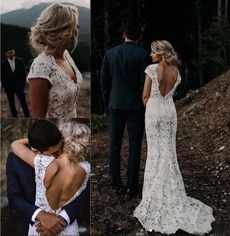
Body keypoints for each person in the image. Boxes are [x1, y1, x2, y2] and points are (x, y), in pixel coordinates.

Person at [133, 40, 215, 234]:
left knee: (155, 153)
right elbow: (170, 95)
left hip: (154, 112)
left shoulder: (152, 69)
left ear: (160, 54)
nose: (151, 55)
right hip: (170, 112)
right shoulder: (177, 72)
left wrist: (152, 109)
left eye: (153, 52)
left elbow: (145, 96)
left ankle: (155, 196)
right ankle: (171, 192)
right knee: (169, 152)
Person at [6, 120, 89, 236]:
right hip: (34, 226)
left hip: (66, 225)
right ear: (36, 150)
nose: (61, 153)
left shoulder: (68, 159)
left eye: (62, 146)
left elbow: (83, 195)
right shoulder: (15, 159)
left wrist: (63, 219)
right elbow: (14, 196)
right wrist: (41, 215)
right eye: (55, 152)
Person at [100, 21, 151, 199]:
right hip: (135, 106)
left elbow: (104, 83)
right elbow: (144, 85)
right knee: (135, 146)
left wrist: (108, 105)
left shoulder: (110, 54)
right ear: (139, 36)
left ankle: (115, 185)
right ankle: (131, 187)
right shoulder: (144, 55)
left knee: (114, 145)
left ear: (124, 34)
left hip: (115, 105)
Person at [27, 3, 83, 118]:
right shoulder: (41, 67)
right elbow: (39, 120)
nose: (78, 31)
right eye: (76, 27)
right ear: (64, 30)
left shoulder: (66, 55)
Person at [1, 46, 30, 117]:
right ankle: (14, 116)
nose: (11, 54)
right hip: (9, 87)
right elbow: (2, 76)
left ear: (14, 52)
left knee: (23, 102)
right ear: (6, 54)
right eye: (9, 53)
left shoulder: (19, 61)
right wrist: (4, 86)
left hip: (19, 86)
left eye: (12, 52)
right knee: (11, 103)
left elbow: (23, 74)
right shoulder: (3, 63)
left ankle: (27, 115)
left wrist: (22, 85)